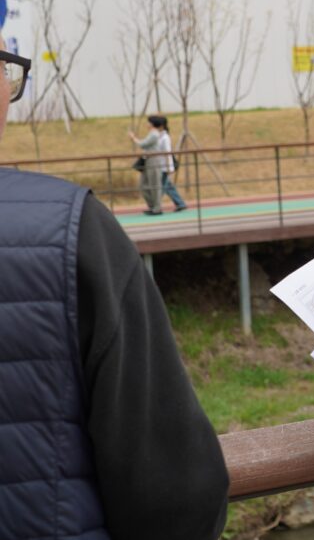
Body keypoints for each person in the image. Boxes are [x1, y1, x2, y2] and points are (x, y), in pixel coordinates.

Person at [0, 36, 229, 539]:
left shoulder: (150, 148)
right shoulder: (70, 231)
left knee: (161, 188)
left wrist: (136, 141)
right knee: (162, 190)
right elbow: (173, 490)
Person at [128, 115, 165, 215]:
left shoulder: (154, 134)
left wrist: (133, 138)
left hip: (153, 160)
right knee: (143, 185)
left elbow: (143, 144)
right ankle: (152, 205)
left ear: (152, 124)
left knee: (154, 185)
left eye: (148, 122)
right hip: (147, 160)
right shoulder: (152, 133)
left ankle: (157, 208)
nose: (147, 124)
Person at [154, 115, 187, 212]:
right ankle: (180, 203)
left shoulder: (165, 138)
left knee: (162, 187)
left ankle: (156, 207)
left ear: (160, 126)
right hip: (161, 166)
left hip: (165, 166)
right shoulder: (160, 137)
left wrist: (169, 167)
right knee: (168, 186)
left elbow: (168, 153)